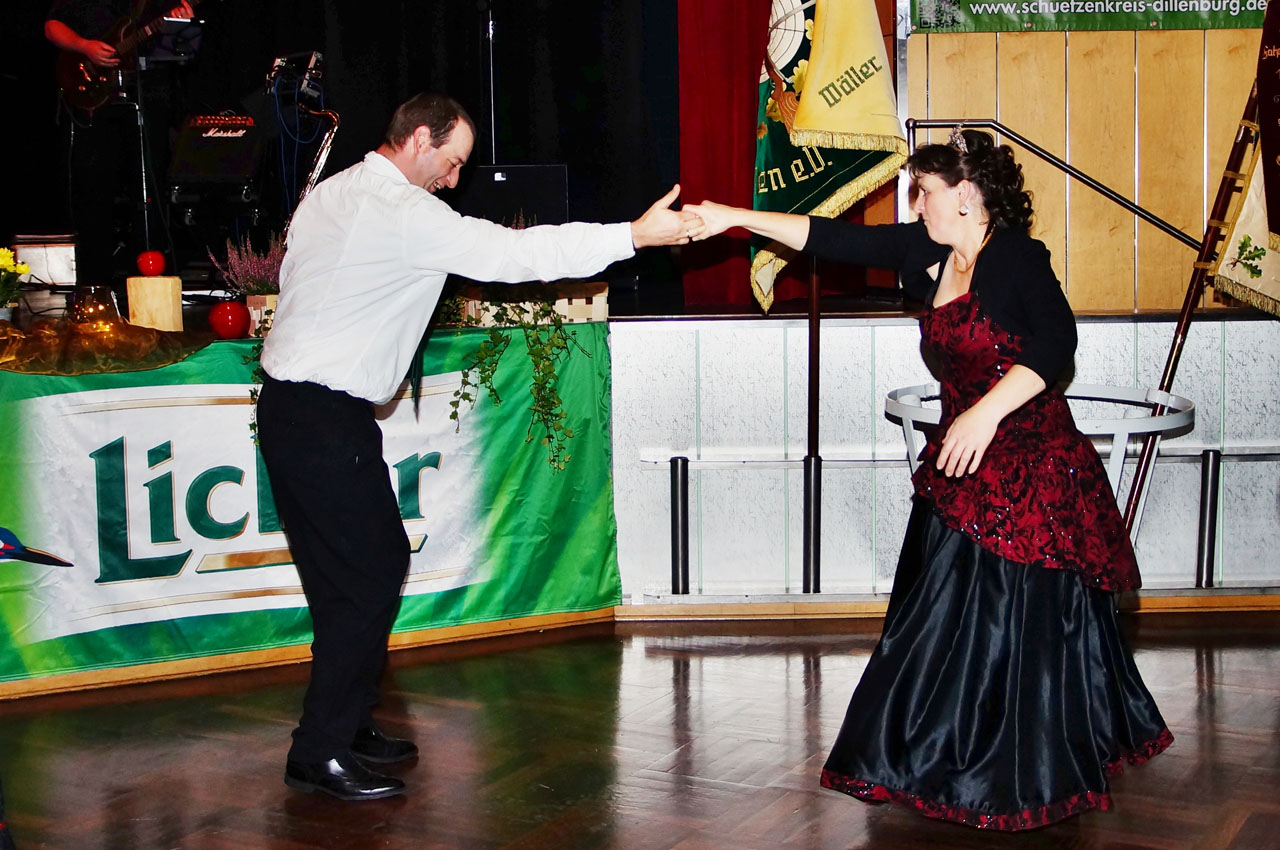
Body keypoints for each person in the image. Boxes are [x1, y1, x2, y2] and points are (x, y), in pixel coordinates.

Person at [685, 128, 1171, 831]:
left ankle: (1009, 770)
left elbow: (1056, 343)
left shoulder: (1016, 257)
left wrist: (985, 413)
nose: (916, 206)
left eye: (924, 192)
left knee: (1006, 633)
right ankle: (927, 756)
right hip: (962, 469)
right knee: (931, 623)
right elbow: (830, 238)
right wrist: (735, 217)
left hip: (1029, 474)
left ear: (966, 196)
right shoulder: (929, 252)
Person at [256, 92, 698, 802]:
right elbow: (514, 255)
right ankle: (319, 750)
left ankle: (347, 725)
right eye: (454, 161)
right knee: (367, 575)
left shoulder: (334, 191)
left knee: (354, 576)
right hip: (321, 414)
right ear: (420, 140)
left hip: (296, 409)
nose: (455, 178)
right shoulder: (404, 212)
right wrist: (634, 235)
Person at [44, 0, 194, 287]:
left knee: (150, 192)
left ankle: (151, 280)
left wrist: (182, 24)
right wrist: (85, 46)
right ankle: (95, 284)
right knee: (93, 194)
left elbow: (181, 50)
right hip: (96, 101)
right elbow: (52, 26)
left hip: (149, 95)